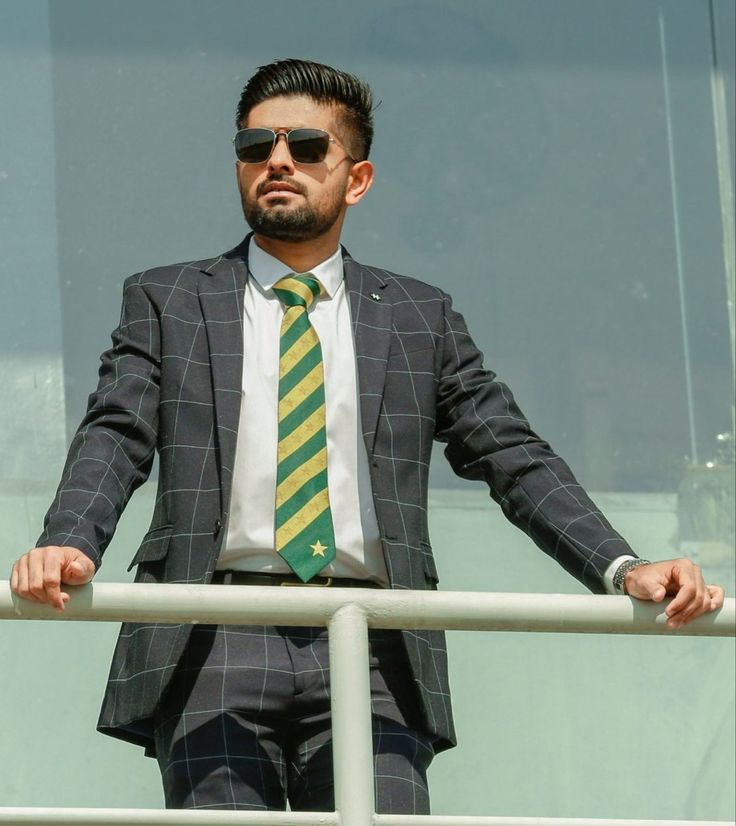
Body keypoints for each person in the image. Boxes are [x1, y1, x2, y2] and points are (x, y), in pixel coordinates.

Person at [10, 58, 724, 813]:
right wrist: (71, 539)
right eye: (256, 146)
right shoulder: (169, 300)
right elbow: (116, 431)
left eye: (308, 147)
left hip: (377, 636)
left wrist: (621, 567)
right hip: (213, 632)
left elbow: (513, 455)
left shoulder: (420, 316)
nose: (277, 161)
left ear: (357, 178)